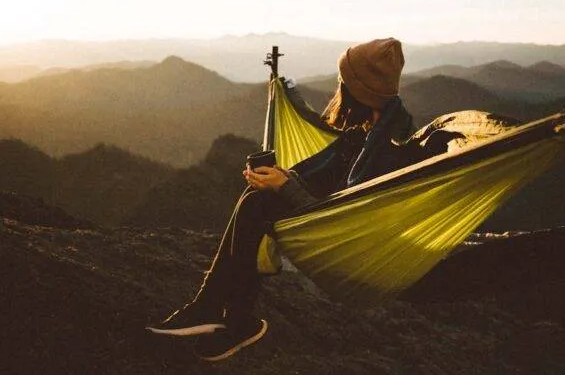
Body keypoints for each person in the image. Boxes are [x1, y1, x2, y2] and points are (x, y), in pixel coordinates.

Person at [146, 38, 415, 361]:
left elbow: (347, 212)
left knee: (259, 204)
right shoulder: (367, 130)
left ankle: (224, 312)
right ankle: (220, 310)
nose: (339, 88)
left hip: (355, 238)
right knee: (256, 195)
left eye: (344, 82)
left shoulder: (388, 145)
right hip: (335, 219)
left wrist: (285, 187)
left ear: (360, 91)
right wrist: (277, 178)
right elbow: (325, 183)